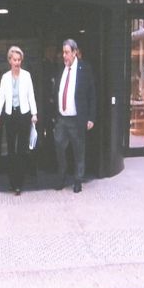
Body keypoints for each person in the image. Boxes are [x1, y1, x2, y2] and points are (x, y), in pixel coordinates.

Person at [0, 46, 38, 196]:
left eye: (19, 60)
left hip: (24, 115)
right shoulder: (5, 77)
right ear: (9, 61)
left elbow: (31, 95)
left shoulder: (27, 76)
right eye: (14, 60)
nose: (17, 63)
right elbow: (1, 97)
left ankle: (19, 183)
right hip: (10, 116)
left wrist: (34, 113)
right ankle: (13, 183)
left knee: (22, 151)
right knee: (11, 150)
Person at [54, 38, 96, 193]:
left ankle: (78, 180)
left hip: (77, 118)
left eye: (66, 52)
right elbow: (58, 90)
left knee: (79, 150)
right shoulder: (62, 69)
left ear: (74, 52)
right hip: (62, 119)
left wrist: (91, 117)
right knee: (59, 147)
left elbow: (92, 94)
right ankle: (62, 176)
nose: (64, 56)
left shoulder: (84, 69)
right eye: (63, 52)